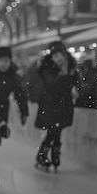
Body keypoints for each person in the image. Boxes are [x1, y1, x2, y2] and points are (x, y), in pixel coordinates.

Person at [34, 41, 79, 172]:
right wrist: (62, 75)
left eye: (60, 55)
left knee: (57, 130)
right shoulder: (47, 69)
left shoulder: (71, 68)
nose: (58, 59)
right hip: (50, 104)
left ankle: (50, 154)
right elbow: (51, 85)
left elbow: (77, 83)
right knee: (54, 129)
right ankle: (47, 154)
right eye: (55, 56)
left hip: (65, 104)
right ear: (51, 58)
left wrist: (75, 89)